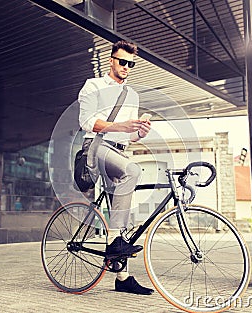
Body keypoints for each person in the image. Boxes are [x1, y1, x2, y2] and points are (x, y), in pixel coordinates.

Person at [78, 40, 153, 295]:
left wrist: (139, 133)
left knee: (122, 218)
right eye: (122, 62)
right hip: (97, 147)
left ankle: (123, 278)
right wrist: (121, 127)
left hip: (119, 150)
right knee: (133, 171)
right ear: (111, 59)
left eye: (131, 64)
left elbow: (128, 137)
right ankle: (113, 242)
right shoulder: (94, 85)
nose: (126, 67)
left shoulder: (132, 95)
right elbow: (86, 121)